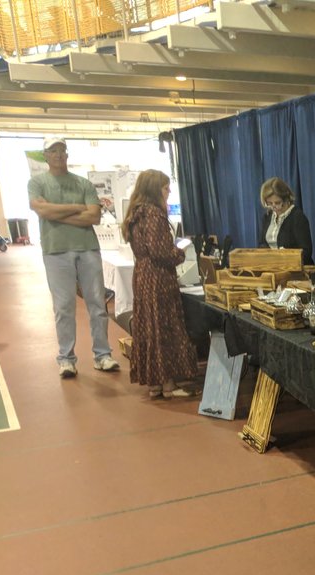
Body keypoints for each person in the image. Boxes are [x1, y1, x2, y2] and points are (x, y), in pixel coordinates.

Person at [28, 136, 120, 378]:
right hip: (55, 252)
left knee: (98, 305)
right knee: (63, 307)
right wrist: (78, 207)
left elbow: (94, 217)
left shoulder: (83, 184)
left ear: (67, 154)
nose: (58, 155)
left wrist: (55, 213)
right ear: (45, 155)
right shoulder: (37, 183)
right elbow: (41, 210)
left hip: (87, 248)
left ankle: (102, 355)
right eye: (53, 151)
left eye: (62, 150)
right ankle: (66, 359)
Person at [121, 170, 198, 399]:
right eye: (165, 188)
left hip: (143, 275)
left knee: (149, 327)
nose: (169, 192)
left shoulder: (136, 213)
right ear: (155, 190)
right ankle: (169, 384)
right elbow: (160, 252)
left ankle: (155, 383)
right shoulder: (154, 214)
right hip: (158, 277)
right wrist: (179, 252)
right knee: (164, 326)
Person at [258, 177, 314, 265]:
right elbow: (262, 243)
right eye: (269, 203)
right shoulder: (267, 217)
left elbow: (306, 252)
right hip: (273, 268)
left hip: (296, 270)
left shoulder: (297, 217)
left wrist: (287, 255)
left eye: (277, 203)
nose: (273, 207)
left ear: (287, 199)